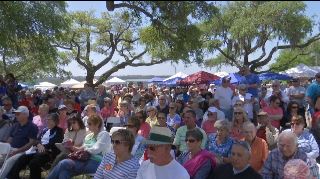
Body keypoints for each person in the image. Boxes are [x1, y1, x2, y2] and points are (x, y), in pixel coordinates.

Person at [8, 113, 64, 179]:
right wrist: (39, 144)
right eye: (47, 120)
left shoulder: (59, 131)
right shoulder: (45, 130)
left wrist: (42, 146)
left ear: (55, 121)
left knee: (33, 163)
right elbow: (36, 140)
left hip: (49, 153)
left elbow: (54, 143)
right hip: (37, 151)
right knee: (21, 159)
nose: (47, 121)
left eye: (49, 120)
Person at [0, 106, 38, 178]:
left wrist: (16, 151)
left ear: (26, 115)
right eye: (16, 114)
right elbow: (9, 140)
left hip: (23, 152)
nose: (16, 116)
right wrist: (6, 150)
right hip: (11, 150)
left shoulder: (32, 127)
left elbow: (30, 144)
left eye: (18, 114)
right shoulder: (15, 125)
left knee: (8, 162)